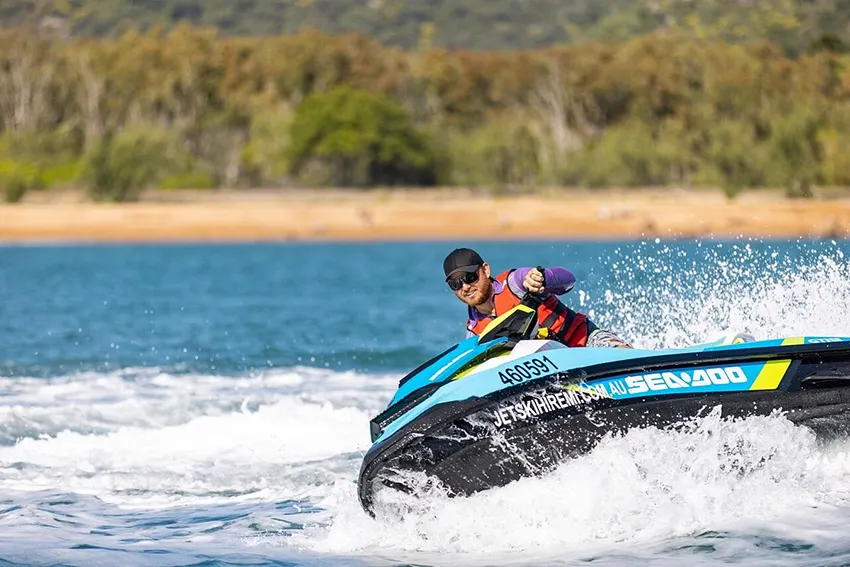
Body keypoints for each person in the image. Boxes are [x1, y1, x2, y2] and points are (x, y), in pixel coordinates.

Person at [443, 247, 632, 348]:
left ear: (485, 270)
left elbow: (569, 280)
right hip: (552, 372)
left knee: (625, 356)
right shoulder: (474, 333)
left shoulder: (516, 282)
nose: (465, 287)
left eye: (469, 277)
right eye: (456, 284)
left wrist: (545, 278)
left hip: (585, 341)